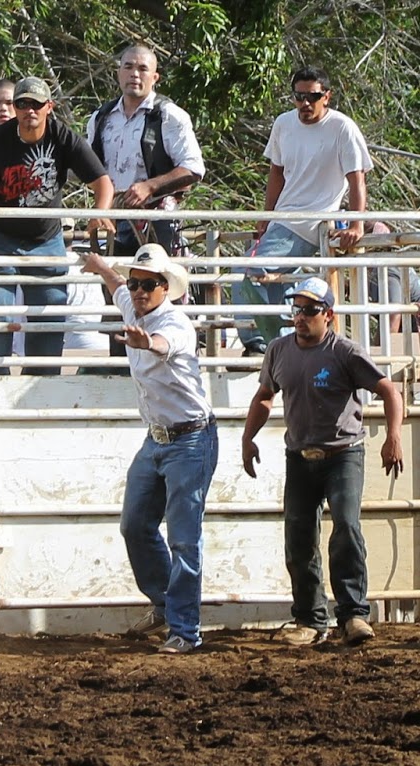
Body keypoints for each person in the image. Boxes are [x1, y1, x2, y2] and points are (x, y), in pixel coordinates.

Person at [241, 277, 403, 647]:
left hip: (342, 453)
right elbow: (265, 394)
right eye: (296, 309)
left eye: (310, 309)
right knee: (299, 536)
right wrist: (248, 437)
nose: (300, 316)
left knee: (346, 527)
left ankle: (353, 614)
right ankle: (310, 619)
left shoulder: (344, 352)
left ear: (328, 314)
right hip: (300, 454)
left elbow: (388, 391)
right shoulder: (279, 351)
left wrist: (393, 435)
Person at [80, 245, 215, 655]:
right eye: (136, 282)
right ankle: (166, 603)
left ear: (164, 288)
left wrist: (147, 342)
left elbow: (163, 344)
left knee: (184, 539)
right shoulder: (132, 303)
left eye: (148, 284)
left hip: (190, 439)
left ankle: (185, 630)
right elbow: (117, 285)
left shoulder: (175, 324)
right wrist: (100, 265)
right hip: (158, 437)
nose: (138, 290)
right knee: (135, 525)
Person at [0, 76, 115, 375]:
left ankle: (42, 384)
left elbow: (102, 182)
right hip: (0, 237)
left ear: (49, 106)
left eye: (36, 104)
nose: (29, 110)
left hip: (46, 239)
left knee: (50, 316)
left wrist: (100, 212)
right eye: (22, 104)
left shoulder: (63, 138)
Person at [234, 67, 371, 359]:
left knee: (244, 270)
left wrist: (356, 224)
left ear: (327, 97)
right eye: (299, 96)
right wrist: (266, 217)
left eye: (313, 96)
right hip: (282, 220)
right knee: (272, 282)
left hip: (312, 222)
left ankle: (259, 343)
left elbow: (357, 179)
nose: (305, 103)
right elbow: (276, 174)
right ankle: (284, 344)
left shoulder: (342, 128)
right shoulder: (284, 124)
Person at [85, 44, 206, 369]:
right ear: (118, 72)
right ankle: (120, 368)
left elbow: (194, 167)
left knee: (158, 289)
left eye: (142, 69)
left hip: (157, 216)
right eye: (128, 67)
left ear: (155, 77)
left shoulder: (169, 115)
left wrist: (150, 186)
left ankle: (169, 360)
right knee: (118, 292)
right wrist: (101, 206)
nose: (134, 75)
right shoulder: (101, 117)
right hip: (115, 216)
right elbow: (89, 168)